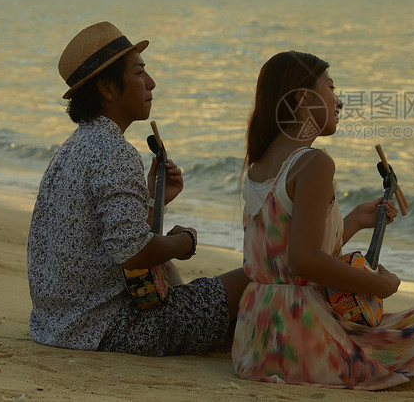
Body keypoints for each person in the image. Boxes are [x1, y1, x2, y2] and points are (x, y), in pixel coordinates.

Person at [232, 50, 414, 390]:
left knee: (396, 332)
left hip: (256, 339)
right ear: (304, 100)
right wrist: (377, 285)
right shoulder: (314, 163)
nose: (339, 102)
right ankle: (398, 373)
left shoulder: (259, 165)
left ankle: (403, 371)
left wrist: (352, 221)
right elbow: (304, 261)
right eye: (332, 89)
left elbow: (286, 255)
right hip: (302, 340)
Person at [27, 21, 249, 356]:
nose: (151, 83)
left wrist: (153, 196)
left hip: (56, 325)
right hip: (111, 328)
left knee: (178, 278)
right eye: (139, 72)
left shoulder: (72, 148)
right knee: (254, 278)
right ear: (108, 88)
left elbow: (117, 239)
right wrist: (183, 240)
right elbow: (133, 254)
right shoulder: (115, 152)